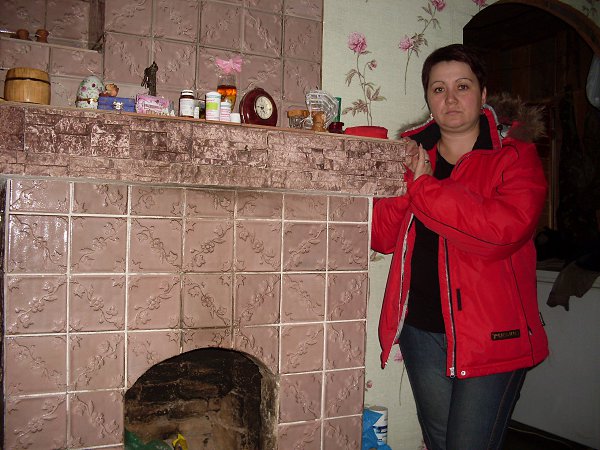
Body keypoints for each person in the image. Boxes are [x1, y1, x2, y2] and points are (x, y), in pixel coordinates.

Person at [371, 44, 549, 450]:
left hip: (493, 335)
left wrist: (423, 188)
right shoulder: (411, 158)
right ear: (428, 99)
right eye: (439, 89)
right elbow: (381, 237)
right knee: (439, 443)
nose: (450, 98)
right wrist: (406, 180)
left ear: (483, 94)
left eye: (462, 86)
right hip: (421, 331)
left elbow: (500, 233)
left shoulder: (514, 157)